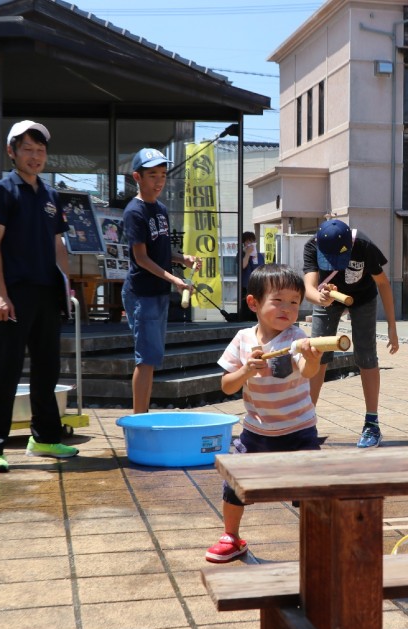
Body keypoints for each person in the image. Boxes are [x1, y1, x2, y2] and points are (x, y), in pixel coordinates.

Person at [0, 120, 78, 473]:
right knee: (5, 370)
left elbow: (57, 244)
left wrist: (66, 288)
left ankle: (45, 437)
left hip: (48, 293)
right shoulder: (3, 191)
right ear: (12, 152)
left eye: (41, 150)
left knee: (48, 369)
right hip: (14, 294)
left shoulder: (51, 195)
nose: (35, 157)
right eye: (28, 150)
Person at [206, 264, 324, 563]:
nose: (287, 308)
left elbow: (307, 371)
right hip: (256, 432)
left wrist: (313, 358)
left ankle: (320, 543)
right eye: (278, 300)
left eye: (294, 302)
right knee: (235, 484)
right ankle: (231, 537)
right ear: (254, 303)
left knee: (312, 491)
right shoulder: (244, 339)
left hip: (299, 430)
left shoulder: (297, 339)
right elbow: (227, 386)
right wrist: (246, 369)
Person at [302, 218, 399, 448]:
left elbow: (383, 284)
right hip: (327, 299)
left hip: (363, 298)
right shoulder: (312, 246)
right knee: (317, 353)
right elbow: (308, 289)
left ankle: (372, 424)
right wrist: (321, 298)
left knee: (366, 356)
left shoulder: (364, 246)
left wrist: (392, 326)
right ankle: (306, 423)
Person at [122, 147, 199, 414]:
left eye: (163, 174)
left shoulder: (161, 209)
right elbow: (141, 258)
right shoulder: (134, 212)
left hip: (158, 291)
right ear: (137, 177)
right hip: (142, 293)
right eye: (152, 174)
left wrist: (183, 259)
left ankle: (141, 417)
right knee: (146, 359)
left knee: (151, 358)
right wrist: (174, 280)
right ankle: (138, 420)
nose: (159, 180)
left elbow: (162, 252)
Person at [238, 230, 265, 321]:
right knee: (246, 307)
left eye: (252, 241)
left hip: (257, 285)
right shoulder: (241, 254)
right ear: (244, 243)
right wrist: (248, 254)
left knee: (256, 305)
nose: (250, 244)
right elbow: (242, 266)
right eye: (247, 242)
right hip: (245, 286)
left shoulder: (259, 256)